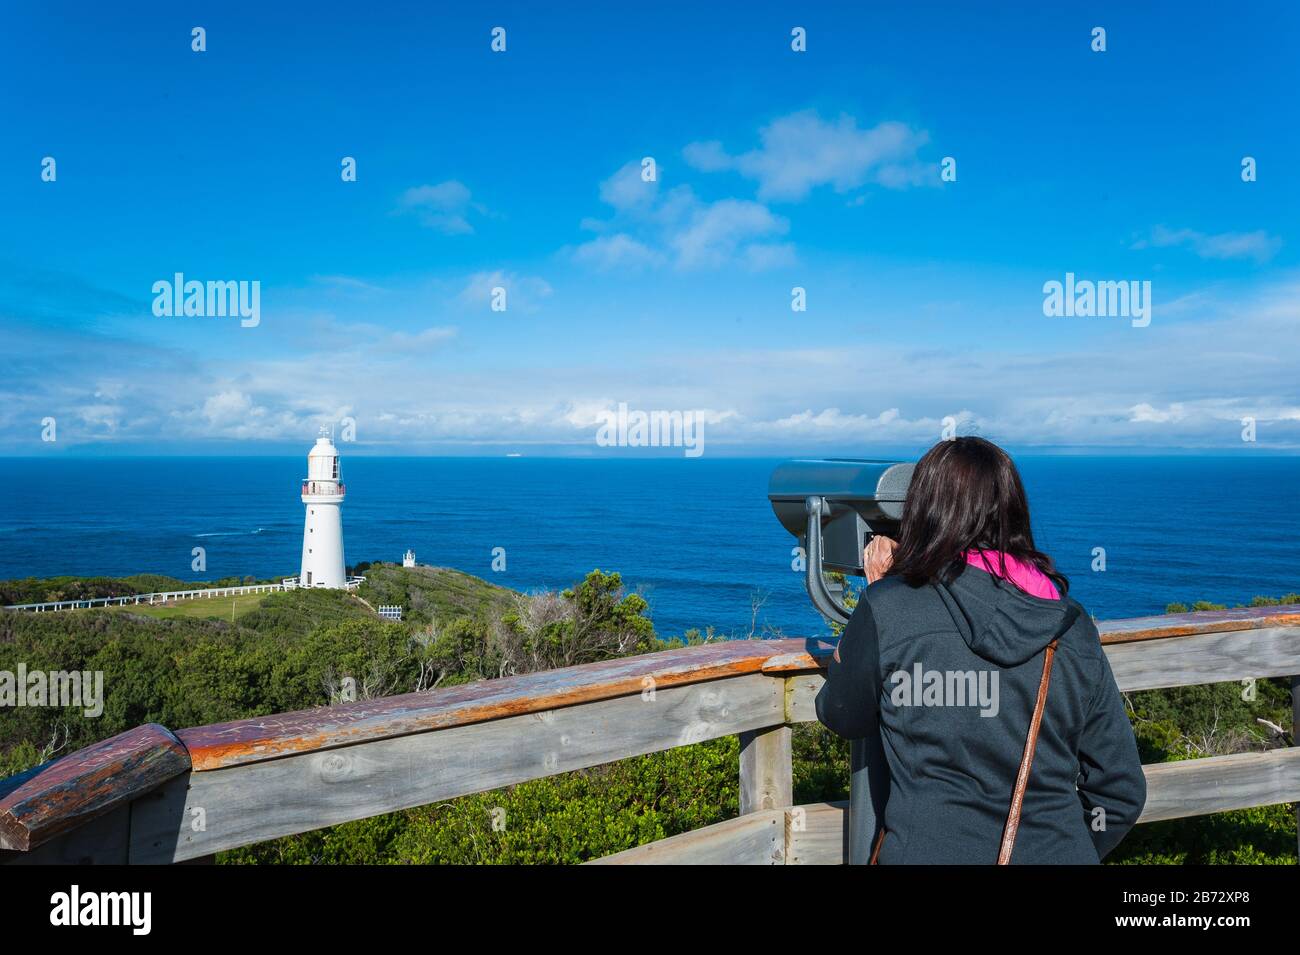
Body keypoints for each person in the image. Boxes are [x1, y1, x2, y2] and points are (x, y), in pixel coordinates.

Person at [815, 437, 1146, 864]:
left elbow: (841, 713)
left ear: (924, 512)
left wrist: (877, 596)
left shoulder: (892, 610)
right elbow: (1120, 791)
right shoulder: (1072, 625)